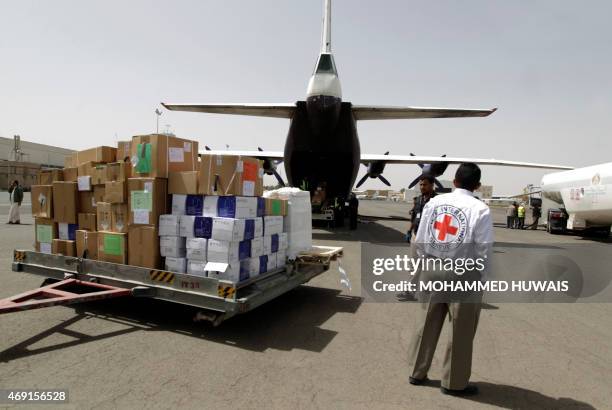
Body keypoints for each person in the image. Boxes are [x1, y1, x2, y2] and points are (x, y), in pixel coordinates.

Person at [408, 163, 493, 396]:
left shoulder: (434, 203)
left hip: (432, 267)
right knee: (461, 330)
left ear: (454, 182)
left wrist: (422, 266)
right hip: (464, 272)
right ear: (477, 186)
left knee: (426, 321)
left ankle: (417, 372)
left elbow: (420, 238)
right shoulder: (481, 209)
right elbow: (484, 248)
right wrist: (481, 279)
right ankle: (453, 383)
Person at [406, 176, 437, 244]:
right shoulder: (418, 199)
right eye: (421, 185)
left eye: (425, 185)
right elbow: (414, 217)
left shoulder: (438, 200)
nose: (422, 187)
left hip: (430, 238)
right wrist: (409, 231)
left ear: (432, 185)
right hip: (416, 235)